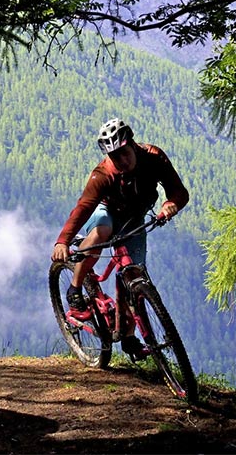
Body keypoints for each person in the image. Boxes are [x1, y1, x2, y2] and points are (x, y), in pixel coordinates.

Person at [51, 118, 189, 358]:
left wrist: (171, 204)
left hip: (134, 218)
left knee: (133, 276)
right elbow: (83, 208)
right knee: (102, 231)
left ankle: (128, 336)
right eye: (115, 157)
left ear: (133, 145)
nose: (122, 161)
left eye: (124, 153)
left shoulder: (153, 157)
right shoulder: (103, 174)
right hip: (105, 211)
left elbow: (179, 191)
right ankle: (75, 289)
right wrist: (62, 241)